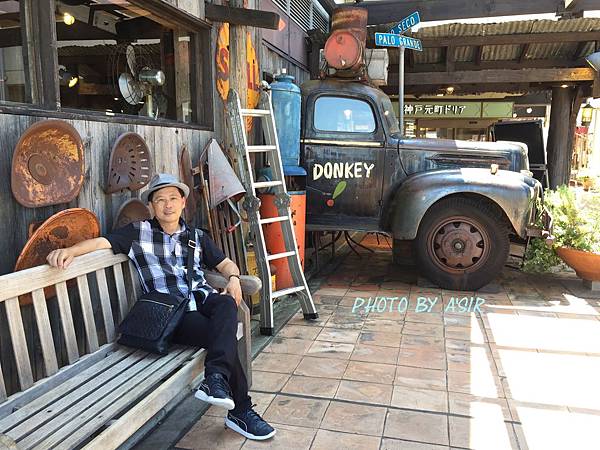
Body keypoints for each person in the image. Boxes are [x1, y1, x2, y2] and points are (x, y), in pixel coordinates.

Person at [46, 173, 276, 441]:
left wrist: (234, 278)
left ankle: (215, 379)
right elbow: (101, 243)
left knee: (226, 304)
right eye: (160, 200)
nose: (168, 205)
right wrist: (71, 251)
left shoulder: (196, 236)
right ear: (152, 206)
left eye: (173, 199)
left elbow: (225, 264)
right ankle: (240, 410)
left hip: (202, 300)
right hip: (171, 315)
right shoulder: (137, 233)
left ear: (183, 203)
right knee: (221, 336)